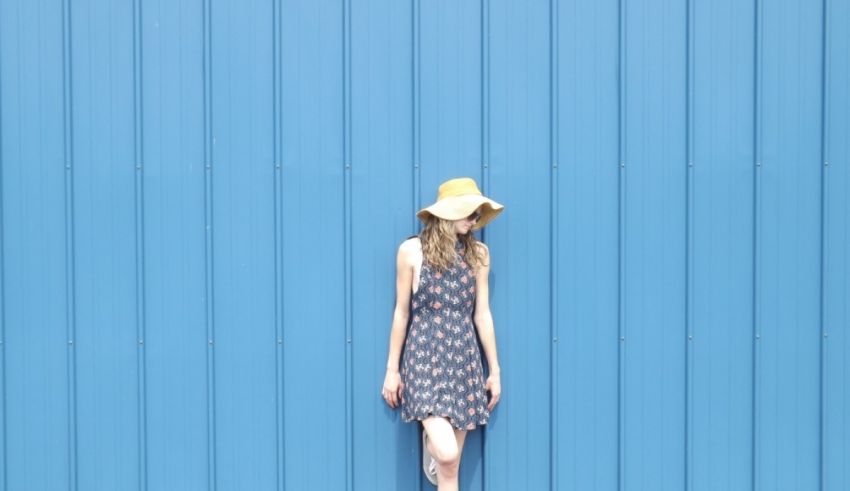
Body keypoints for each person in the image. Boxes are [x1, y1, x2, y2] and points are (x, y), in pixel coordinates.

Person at [381, 177, 504, 490]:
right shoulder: (411, 251)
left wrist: (495, 370)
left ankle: (440, 457)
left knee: (450, 472)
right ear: (448, 212)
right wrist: (391, 371)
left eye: (478, 214)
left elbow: (482, 314)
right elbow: (402, 313)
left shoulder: (479, 254)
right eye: (470, 213)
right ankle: (434, 444)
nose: (475, 220)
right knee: (447, 455)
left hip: (463, 358)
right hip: (424, 356)